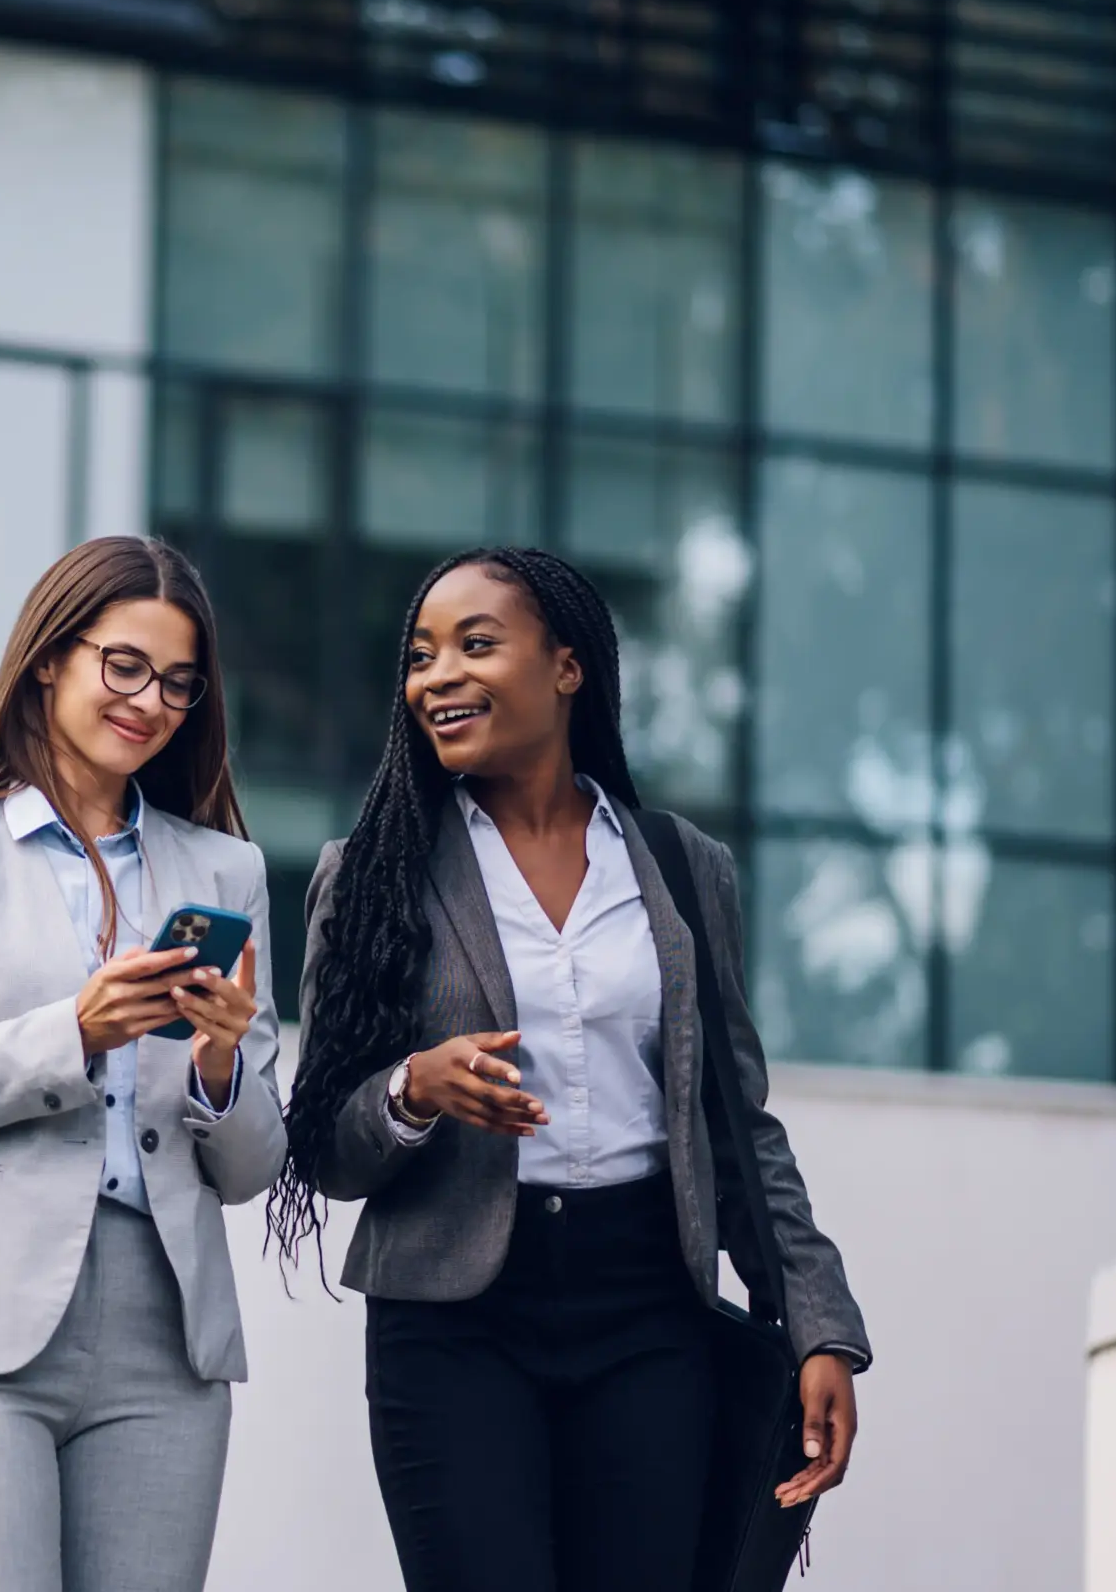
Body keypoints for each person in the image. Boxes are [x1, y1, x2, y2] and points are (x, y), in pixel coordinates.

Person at [267, 546, 871, 1592]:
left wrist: (818, 1324)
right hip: (453, 1326)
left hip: (648, 1311)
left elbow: (737, 1125)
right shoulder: (369, 876)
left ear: (566, 666)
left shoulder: (683, 867)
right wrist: (415, 1088)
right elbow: (320, 1139)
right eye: (419, 655)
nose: (435, 675)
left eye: (475, 643)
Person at [0, 535, 287, 1592]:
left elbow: (255, 1169)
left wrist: (220, 1060)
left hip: (165, 1337)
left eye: (177, 681)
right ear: (49, 657)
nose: (150, 700)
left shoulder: (225, 867)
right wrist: (69, 1035)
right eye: (123, 664)